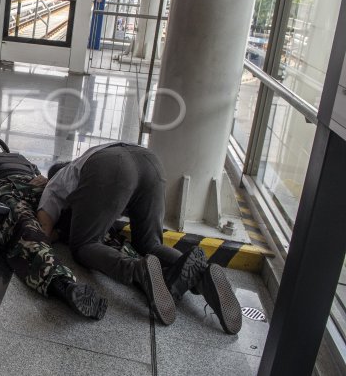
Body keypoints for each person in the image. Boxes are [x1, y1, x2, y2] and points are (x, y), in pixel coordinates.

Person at [38, 142, 242, 334]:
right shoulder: (82, 162)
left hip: (111, 167)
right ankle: (203, 275)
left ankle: (137, 270)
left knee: (84, 244)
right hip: (150, 162)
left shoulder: (54, 184)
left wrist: (58, 233)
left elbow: (43, 232)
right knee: (149, 244)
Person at [0, 135, 107, 320]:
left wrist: (48, 183)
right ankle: (63, 284)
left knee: (75, 212)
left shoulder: (20, 158)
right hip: (5, 190)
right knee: (25, 228)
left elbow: (43, 178)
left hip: (34, 188)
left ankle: (123, 255)